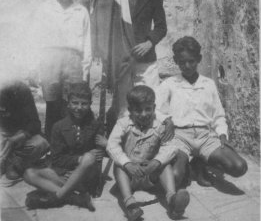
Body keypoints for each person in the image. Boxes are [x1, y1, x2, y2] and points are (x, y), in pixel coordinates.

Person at [155, 36, 248, 189]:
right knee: (175, 177)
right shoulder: (169, 84)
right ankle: (187, 165)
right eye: (182, 62)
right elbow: (156, 109)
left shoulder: (208, 84)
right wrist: (167, 120)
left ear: (198, 59)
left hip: (205, 137)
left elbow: (218, 115)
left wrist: (222, 134)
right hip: (180, 137)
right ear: (176, 60)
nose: (187, 65)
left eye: (191, 61)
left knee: (239, 167)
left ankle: (200, 163)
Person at [107, 85, 190, 221]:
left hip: (150, 174)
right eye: (138, 111)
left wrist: (155, 162)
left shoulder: (159, 125)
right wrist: (127, 164)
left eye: (148, 109)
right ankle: (130, 204)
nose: (144, 114)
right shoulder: (123, 124)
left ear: (154, 107)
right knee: (118, 166)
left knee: (165, 164)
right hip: (130, 175)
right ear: (130, 110)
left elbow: (171, 146)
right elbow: (112, 145)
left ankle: (172, 200)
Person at [29, 0, 92, 139]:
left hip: (73, 61)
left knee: (71, 103)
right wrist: (34, 66)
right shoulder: (44, 9)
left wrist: (85, 70)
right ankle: (51, 142)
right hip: (50, 60)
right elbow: (36, 38)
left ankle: (69, 144)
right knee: (52, 104)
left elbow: (87, 42)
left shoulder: (81, 11)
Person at [24, 82, 107, 210]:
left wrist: (105, 145)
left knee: (89, 157)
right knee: (29, 173)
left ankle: (57, 197)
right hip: (64, 176)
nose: (79, 107)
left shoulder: (96, 125)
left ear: (90, 104)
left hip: (86, 178)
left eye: (84, 103)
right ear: (68, 103)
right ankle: (76, 198)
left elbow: (98, 157)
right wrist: (78, 159)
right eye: (75, 103)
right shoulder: (59, 126)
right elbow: (57, 159)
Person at [127, 0, 167, 90]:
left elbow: (161, 27)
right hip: (123, 58)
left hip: (145, 59)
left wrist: (149, 43)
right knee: (123, 106)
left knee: (150, 99)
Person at [0, 81, 49, 181]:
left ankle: (13, 163)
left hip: (18, 133)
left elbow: (35, 123)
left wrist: (21, 135)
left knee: (41, 144)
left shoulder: (20, 89)